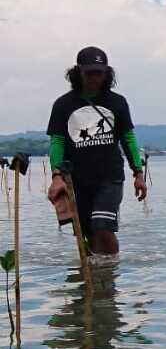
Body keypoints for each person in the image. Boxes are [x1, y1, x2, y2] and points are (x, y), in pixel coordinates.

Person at [46, 47, 147, 256]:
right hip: (77, 179)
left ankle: (109, 273)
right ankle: (92, 282)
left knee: (102, 225)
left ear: (106, 73)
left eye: (98, 73)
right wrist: (57, 177)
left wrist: (138, 173)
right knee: (86, 234)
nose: (94, 78)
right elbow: (57, 142)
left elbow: (128, 138)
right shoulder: (63, 104)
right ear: (78, 72)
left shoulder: (117, 102)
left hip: (110, 176)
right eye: (89, 72)